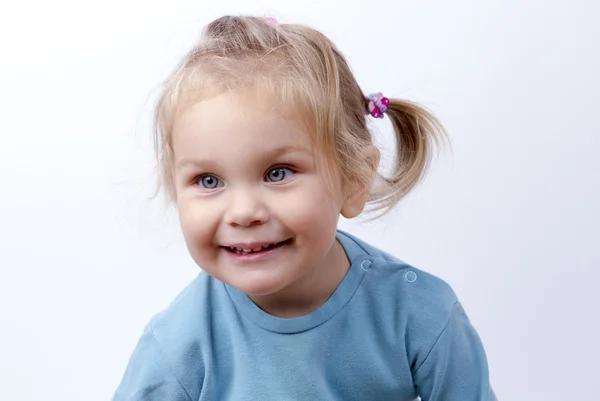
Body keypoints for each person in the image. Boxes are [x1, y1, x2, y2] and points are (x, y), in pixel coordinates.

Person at [112, 14, 497, 401]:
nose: (244, 212)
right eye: (209, 181)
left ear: (354, 180)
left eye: (278, 173)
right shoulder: (178, 344)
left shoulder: (419, 314)